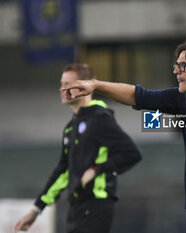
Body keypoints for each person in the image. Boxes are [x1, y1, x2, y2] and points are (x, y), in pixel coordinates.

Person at [63, 39, 186, 233]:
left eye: (184, 66)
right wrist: (96, 85)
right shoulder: (184, 99)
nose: (176, 71)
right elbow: (137, 95)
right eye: (177, 65)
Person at [14, 63, 142, 233]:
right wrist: (36, 210)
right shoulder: (70, 128)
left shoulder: (99, 117)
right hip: (77, 208)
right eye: (61, 84)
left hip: (97, 205)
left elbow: (131, 153)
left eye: (68, 84)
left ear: (85, 85)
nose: (62, 89)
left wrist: (96, 170)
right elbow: (63, 171)